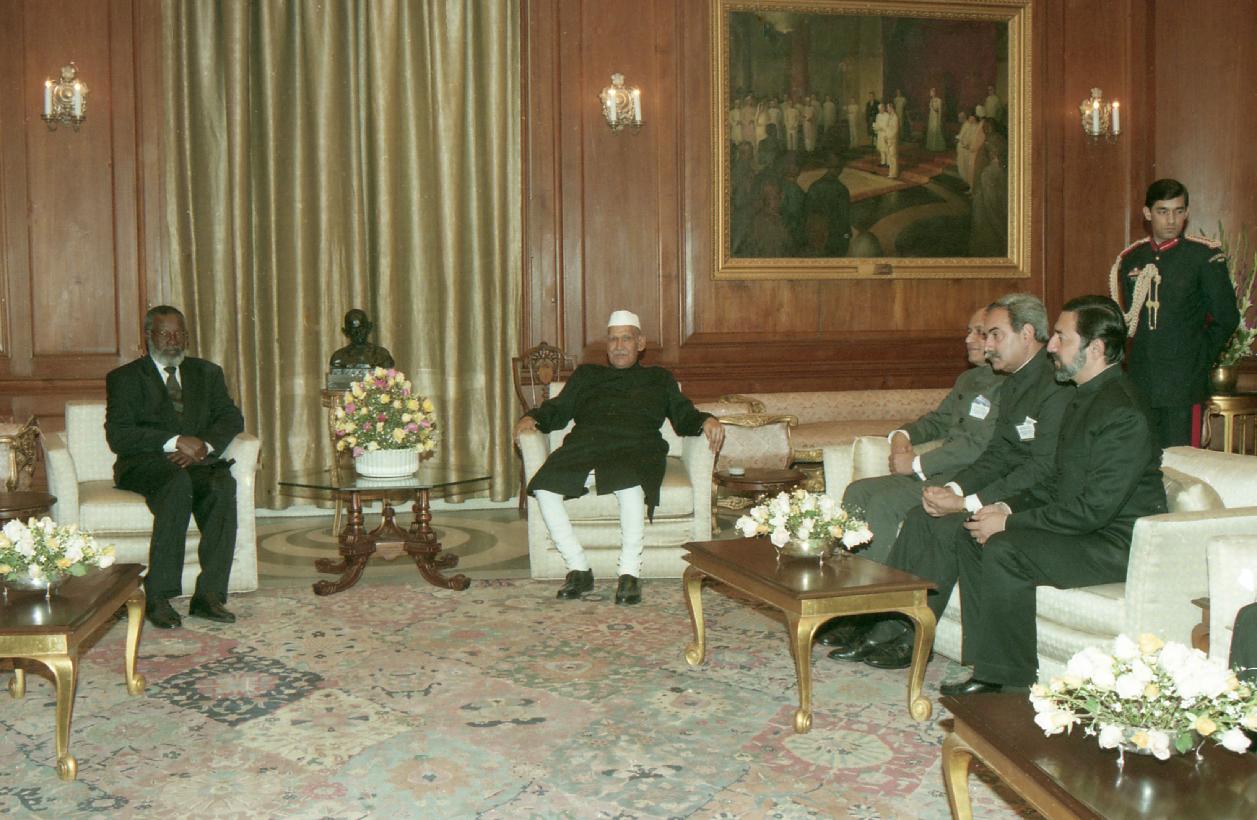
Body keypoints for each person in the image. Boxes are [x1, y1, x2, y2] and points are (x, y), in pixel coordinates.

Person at [929, 296, 1166, 694]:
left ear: (1096, 348)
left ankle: (1011, 682)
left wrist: (1009, 523)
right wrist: (1002, 507)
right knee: (974, 531)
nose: (1051, 346)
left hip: (1115, 543)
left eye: (1061, 337)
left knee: (1005, 548)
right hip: (1083, 527)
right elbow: (1059, 480)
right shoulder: (1084, 394)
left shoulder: (1122, 411)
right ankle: (986, 662)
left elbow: (1093, 510)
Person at [827, 293, 1074, 669]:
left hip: (1028, 496)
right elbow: (1000, 453)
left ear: (1026, 334)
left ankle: (913, 638)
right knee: (920, 518)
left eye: (993, 334)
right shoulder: (1013, 383)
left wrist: (967, 500)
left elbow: (1037, 467)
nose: (986, 345)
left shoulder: (1054, 384)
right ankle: (885, 619)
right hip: (998, 484)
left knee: (947, 527)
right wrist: (954, 490)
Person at [514, 311, 724, 604]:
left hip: (636, 446)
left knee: (629, 485)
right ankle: (578, 568)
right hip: (586, 445)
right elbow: (558, 410)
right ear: (607, 344)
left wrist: (706, 420)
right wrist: (531, 418)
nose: (619, 345)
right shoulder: (587, 375)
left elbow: (684, 415)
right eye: (613, 339)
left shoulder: (658, 378)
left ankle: (629, 573)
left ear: (640, 343)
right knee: (544, 488)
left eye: (626, 338)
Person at [105, 306, 246, 629]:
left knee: (222, 484)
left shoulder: (207, 373)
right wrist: (175, 441)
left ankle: (208, 595)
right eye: (165, 334)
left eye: (179, 333)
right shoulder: (125, 378)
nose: (173, 341)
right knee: (176, 484)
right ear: (149, 337)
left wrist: (203, 446)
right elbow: (119, 435)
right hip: (145, 463)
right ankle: (158, 595)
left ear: (187, 337)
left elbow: (230, 418)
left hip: (196, 462)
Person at [1112, 179, 1240, 449]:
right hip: (1142, 379)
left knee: (1183, 462)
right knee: (1143, 460)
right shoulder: (1132, 258)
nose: (1171, 220)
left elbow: (1227, 317)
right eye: (1163, 211)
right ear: (1147, 213)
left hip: (1183, 383)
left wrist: (1197, 357)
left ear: (1187, 213)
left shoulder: (1202, 257)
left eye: (1178, 211)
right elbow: (1129, 321)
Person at [802, 150, 852, 257]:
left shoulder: (814, 187)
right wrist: (847, 237)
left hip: (817, 239)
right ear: (841, 167)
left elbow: (807, 215)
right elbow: (845, 220)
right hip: (835, 239)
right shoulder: (841, 190)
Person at [329, 308, 396, 369]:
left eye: (361, 328)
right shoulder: (338, 358)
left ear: (369, 328)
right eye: (353, 329)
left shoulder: (382, 355)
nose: (358, 332)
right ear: (346, 332)